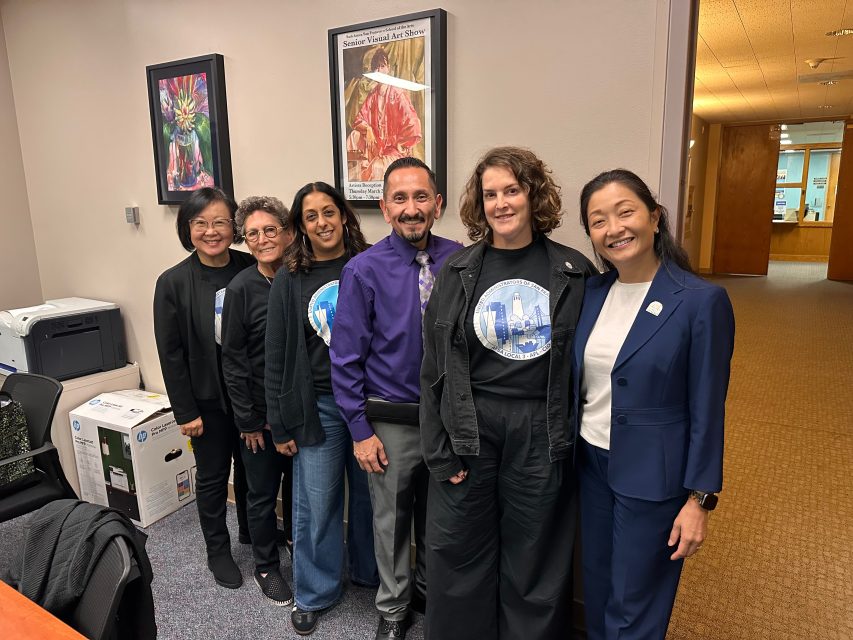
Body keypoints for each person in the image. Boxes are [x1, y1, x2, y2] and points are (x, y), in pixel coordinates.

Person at [419, 146, 597, 639]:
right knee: (457, 551)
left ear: (533, 194)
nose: (500, 203)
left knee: (535, 558)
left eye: (512, 190)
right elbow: (432, 368)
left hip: (542, 427)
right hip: (469, 426)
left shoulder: (574, 271)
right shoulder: (456, 272)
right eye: (490, 193)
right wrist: (438, 452)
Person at [573, 169, 735, 640]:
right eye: (598, 220)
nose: (614, 228)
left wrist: (700, 498)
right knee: (599, 586)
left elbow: (709, 407)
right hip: (591, 465)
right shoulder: (590, 294)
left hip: (653, 475)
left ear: (655, 216)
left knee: (637, 598)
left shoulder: (700, 302)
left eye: (626, 212)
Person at [330, 157, 459, 640]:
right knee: (391, 522)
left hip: (447, 421)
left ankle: (427, 592)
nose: (411, 208)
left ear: (437, 204)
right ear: (384, 208)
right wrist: (360, 432)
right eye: (400, 199)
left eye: (421, 197)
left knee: (440, 518)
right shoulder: (362, 270)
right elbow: (344, 359)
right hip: (392, 422)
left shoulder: (460, 259)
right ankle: (392, 608)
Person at [265, 182, 377, 636]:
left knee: (373, 500)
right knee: (316, 504)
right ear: (300, 226)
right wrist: (279, 421)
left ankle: (371, 575)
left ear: (344, 215)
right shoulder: (289, 279)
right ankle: (315, 592)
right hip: (319, 408)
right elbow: (275, 354)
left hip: (372, 406)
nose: (322, 222)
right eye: (311, 216)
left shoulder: (369, 265)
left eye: (329, 212)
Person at [153, 187, 253, 589]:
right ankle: (218, 549)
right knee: (213, 477)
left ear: (235, 227)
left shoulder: (250, 267)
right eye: (201, 223)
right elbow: (170, 352)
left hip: (249, 396)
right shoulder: (173, 282)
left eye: (221, 222)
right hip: (206, 402)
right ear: (188, 228)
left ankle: (251, 530)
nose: (211, 231)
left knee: (253, 471)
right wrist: (185, 412)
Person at [221, 195, 295, 606]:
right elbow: (232, 359)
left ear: (286, 232)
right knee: (262, 494)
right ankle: (266, 566)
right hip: (260, 418)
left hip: (300, 412)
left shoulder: (300, 277)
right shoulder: (240, 289)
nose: (264, 239)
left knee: (299, 491)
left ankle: (296, 544)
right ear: (244, 241)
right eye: (253, 233)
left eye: (271, 230)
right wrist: (248, 420)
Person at [346, 47, 423, 182]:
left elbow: (413, 124)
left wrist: (399, 142)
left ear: (388, 68)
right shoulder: (373, 95)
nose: (379, 71)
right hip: (376, 145)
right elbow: (358, 120)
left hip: (392, 150)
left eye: (382, 66)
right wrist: (368, 129)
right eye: (376, 67)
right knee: (354, 136)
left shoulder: (398, 93)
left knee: (377, 168)